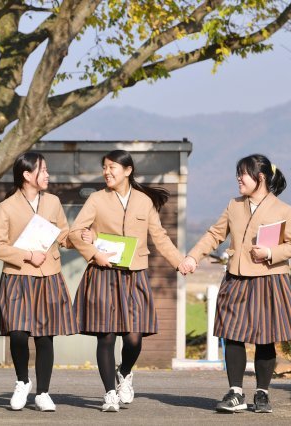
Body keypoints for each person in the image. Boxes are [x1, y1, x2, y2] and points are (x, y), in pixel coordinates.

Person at [181, 153, 291, 414]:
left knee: (266, 337)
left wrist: (270, 253)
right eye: (238, 173)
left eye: (243, 173)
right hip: (236, 277)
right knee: (232, 334)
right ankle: (235, 393)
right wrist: (193, 257)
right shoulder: (234, 205)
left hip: (270, 279)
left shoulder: (284, 210)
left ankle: (262, 393)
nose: (239, 178)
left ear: (260, 178)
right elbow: (215, 234)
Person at [68, 149, 188, 412]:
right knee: (106, 336)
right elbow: (75, 232)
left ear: (128, 170)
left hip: (135, 275)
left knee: (134, 338)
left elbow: (160, 237)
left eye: (112, 167)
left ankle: (125, 372)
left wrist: (179, 261)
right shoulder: (97, 199)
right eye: (104, 167)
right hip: (103, 273)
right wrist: (94, 253)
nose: (107, 172)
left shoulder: (144, 202)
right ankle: (109, 392)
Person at [0, 152, 78, 412]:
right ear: (27, 175)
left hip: (48, 276)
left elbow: (63, 235)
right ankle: (22, 381)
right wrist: (27, 255)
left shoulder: (53, 202)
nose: (48, 175)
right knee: (17, 333)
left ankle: (43, 393)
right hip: (17, 276)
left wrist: (79, 237)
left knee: (45, 337)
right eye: (43, 170)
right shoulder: (6, 206)